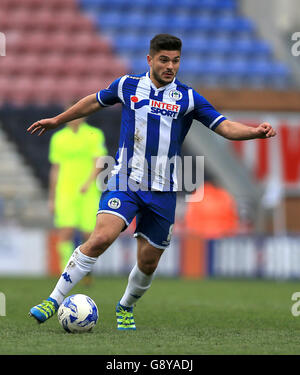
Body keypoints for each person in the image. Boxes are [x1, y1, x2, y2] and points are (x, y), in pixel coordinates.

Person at [27, 34, 276, 330]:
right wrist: (58, 120)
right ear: (150, 59)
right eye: (164, 60)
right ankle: (53, 300)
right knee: (102, 238)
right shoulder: (128, 85)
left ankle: (125, 306)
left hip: (164, 190)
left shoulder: (188, 98)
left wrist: (254, 131)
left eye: (176, 61)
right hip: (125, 180)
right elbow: (94, 102)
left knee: (148, 263)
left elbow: (224, 126)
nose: (170, 66)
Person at [48, 115, 107, 273]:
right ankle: (65, 271)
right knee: (65, 231)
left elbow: (98, 162)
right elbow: (55, 169)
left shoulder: (94, 134)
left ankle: (85, 271)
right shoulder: (58, 137)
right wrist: (52, 198)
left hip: (88, 191)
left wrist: (88, 182)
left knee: (89, 233)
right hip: (65, 191)